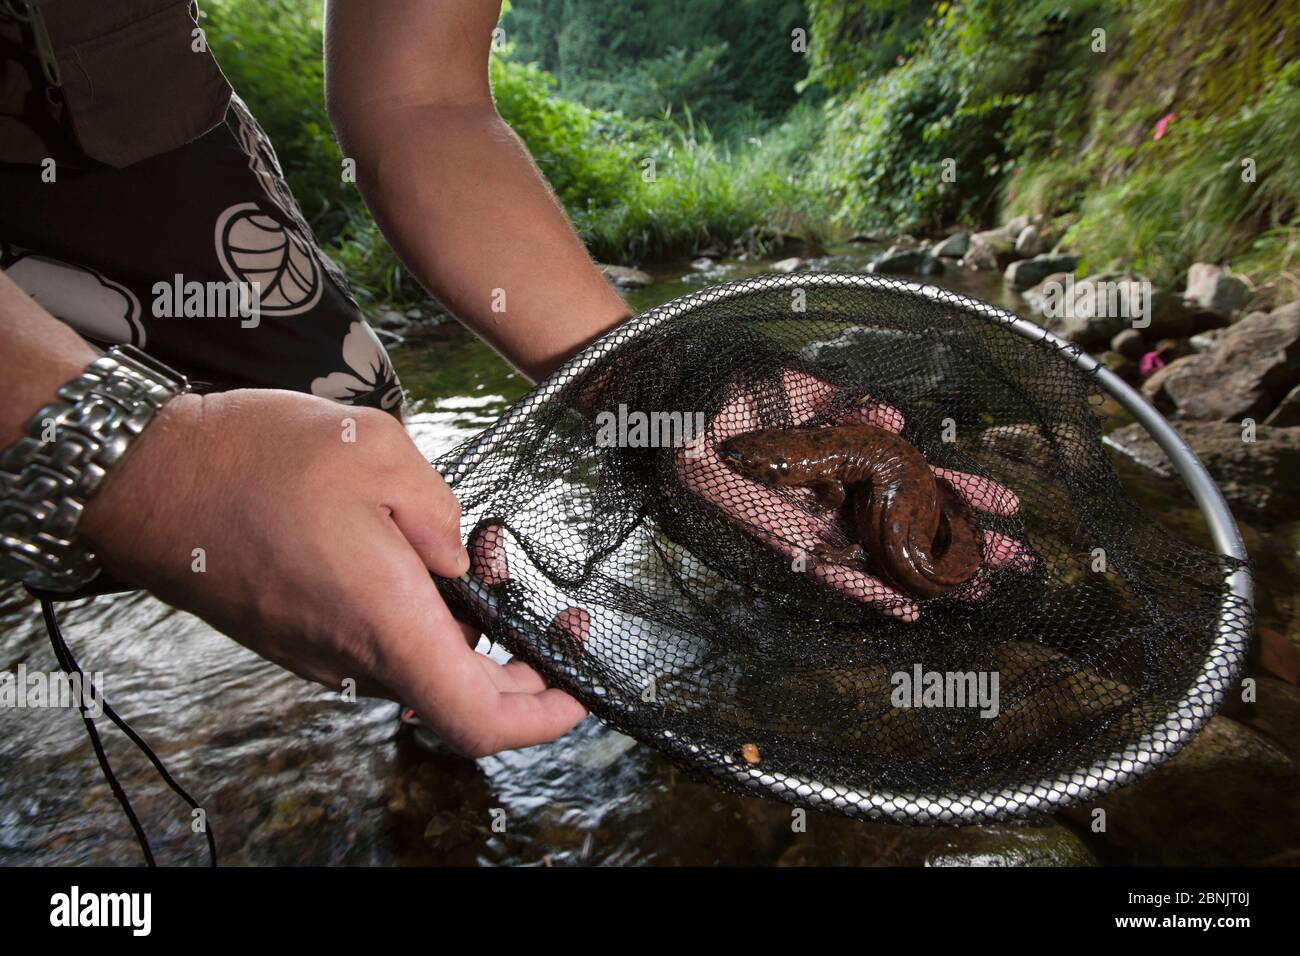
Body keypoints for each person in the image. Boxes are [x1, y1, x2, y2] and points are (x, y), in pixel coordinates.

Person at [1, 0, 1024, 758]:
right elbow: (147, 462)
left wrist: (647, 379)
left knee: (361, 469)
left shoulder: (851, 462)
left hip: (105, 73)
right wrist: (132, 460)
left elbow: (423, 97)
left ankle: (423, 696)